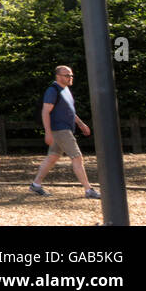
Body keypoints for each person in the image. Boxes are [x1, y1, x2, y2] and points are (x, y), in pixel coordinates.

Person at [29, 66, 101, 199]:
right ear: (58, 76)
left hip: (63, 129)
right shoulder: (53, 90)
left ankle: (36, 184)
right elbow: (45, 111)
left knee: (52, 157)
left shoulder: (66, 90)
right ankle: (88, 190)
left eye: (71, 75)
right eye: (67, 75)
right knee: (77, 157)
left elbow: (70, 111)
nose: (70, 78)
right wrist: (48, 132)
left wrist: (80, 123)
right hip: (61, 130)